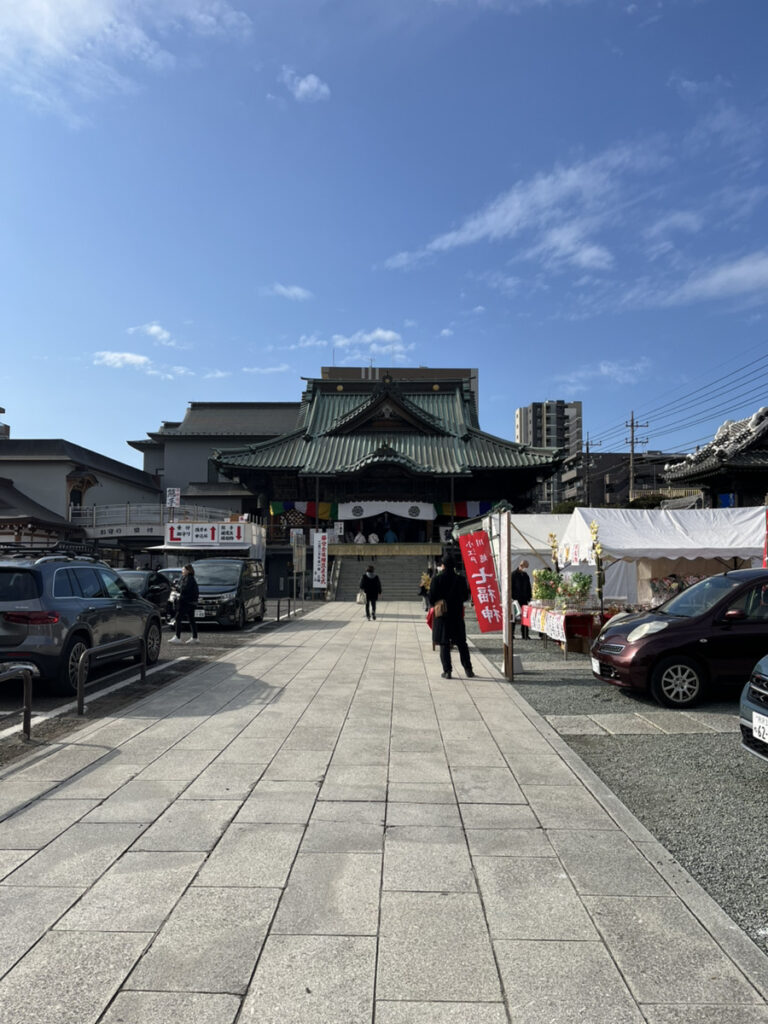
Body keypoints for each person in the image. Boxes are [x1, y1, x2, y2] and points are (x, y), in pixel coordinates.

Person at [428, 554, 474, 679]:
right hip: (457, 615)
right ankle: (468, 669)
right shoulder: (460, 579)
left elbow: (431, 598)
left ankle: (447, 671)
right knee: (461, 643)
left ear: (442, 565)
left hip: (443, 616)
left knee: (444, 644)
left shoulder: (437, 579)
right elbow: (465, 596)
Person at [169, 564, 200, 644]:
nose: (182, 571)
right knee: (191, 619)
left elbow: (185, 589)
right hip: (191, 602)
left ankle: (177, 637)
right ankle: (195, 637)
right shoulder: (187, 578)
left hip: (186, 602)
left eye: (183, 570)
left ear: (188, 570)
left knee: (178, 618)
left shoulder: (189, 578)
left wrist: (176, 588)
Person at [511, 559, 532, 639]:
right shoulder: (513, 574)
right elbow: (510, 587)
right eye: (525, 567)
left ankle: (525, 634)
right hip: (515, 599)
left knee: (525, 617)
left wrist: (529, 597)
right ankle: (511, 633)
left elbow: (528, 587)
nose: (525, 568)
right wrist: (512, 597)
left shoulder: (526, 575)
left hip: (524, 599)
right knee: (513, 617)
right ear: (521, 565)